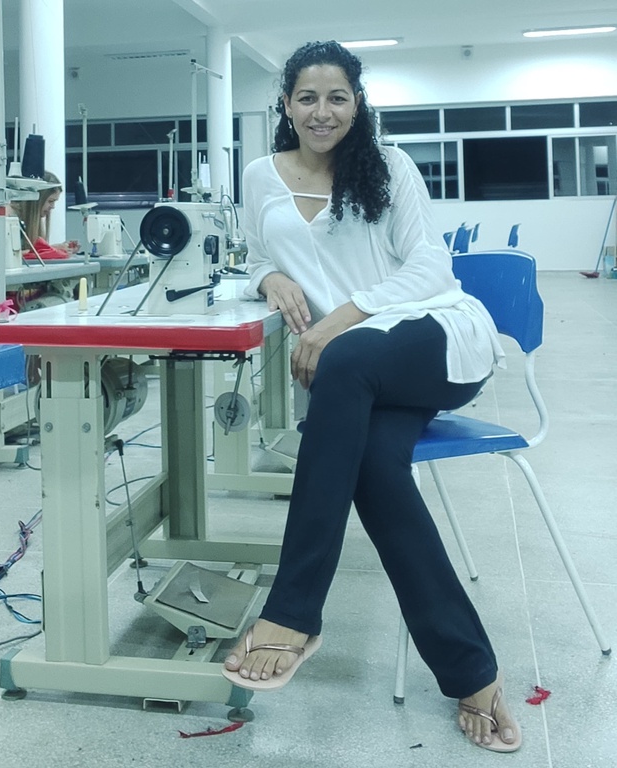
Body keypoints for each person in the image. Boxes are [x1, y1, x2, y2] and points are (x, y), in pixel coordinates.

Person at [222, 41, 521, 754]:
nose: (322, 112)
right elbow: (254, 252)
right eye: (307, 98)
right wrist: (268, 278)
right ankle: (472, 672)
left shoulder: (389, 166)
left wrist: (338, 321)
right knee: (376, 469)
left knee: (346, 362)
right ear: (286, 105)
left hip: (436, 340)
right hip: (359, 369)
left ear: (357, 104)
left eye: (337, 98)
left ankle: (294, 611)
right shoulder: (261, 175)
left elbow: (430, 268)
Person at [9, 170, 79, 259]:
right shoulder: (8, 216)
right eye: (50, 201)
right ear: (38, 199)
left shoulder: (31, 220)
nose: (53, 207)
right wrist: (51, 250)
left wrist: (54, 249)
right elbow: (8, 256)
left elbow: (29, 252)